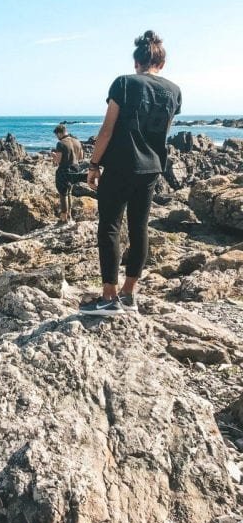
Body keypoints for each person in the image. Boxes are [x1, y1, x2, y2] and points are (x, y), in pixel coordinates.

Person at [80, 30, 181, 316]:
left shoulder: (124, 83)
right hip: (151, 168)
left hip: (121, 166)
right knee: (139, 228)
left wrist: (94, 164)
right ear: (160, 64)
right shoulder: (174, 91)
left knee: (110, 227)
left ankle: (109, 297)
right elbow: (164, 132)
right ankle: (128, 294)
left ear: (137, 62)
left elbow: (107, 129)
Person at [51, 123, 84, 223]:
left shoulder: (61, 143)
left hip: (65, 170)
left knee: (63, 193)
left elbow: (58, 161)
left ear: (60, 133)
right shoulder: (77, 141)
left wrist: (53, 155)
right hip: (76, 169)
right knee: (69, 192)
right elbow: (81, 157)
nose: (57, 138)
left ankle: (63, 218)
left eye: (57, 135)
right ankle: (69, 216)